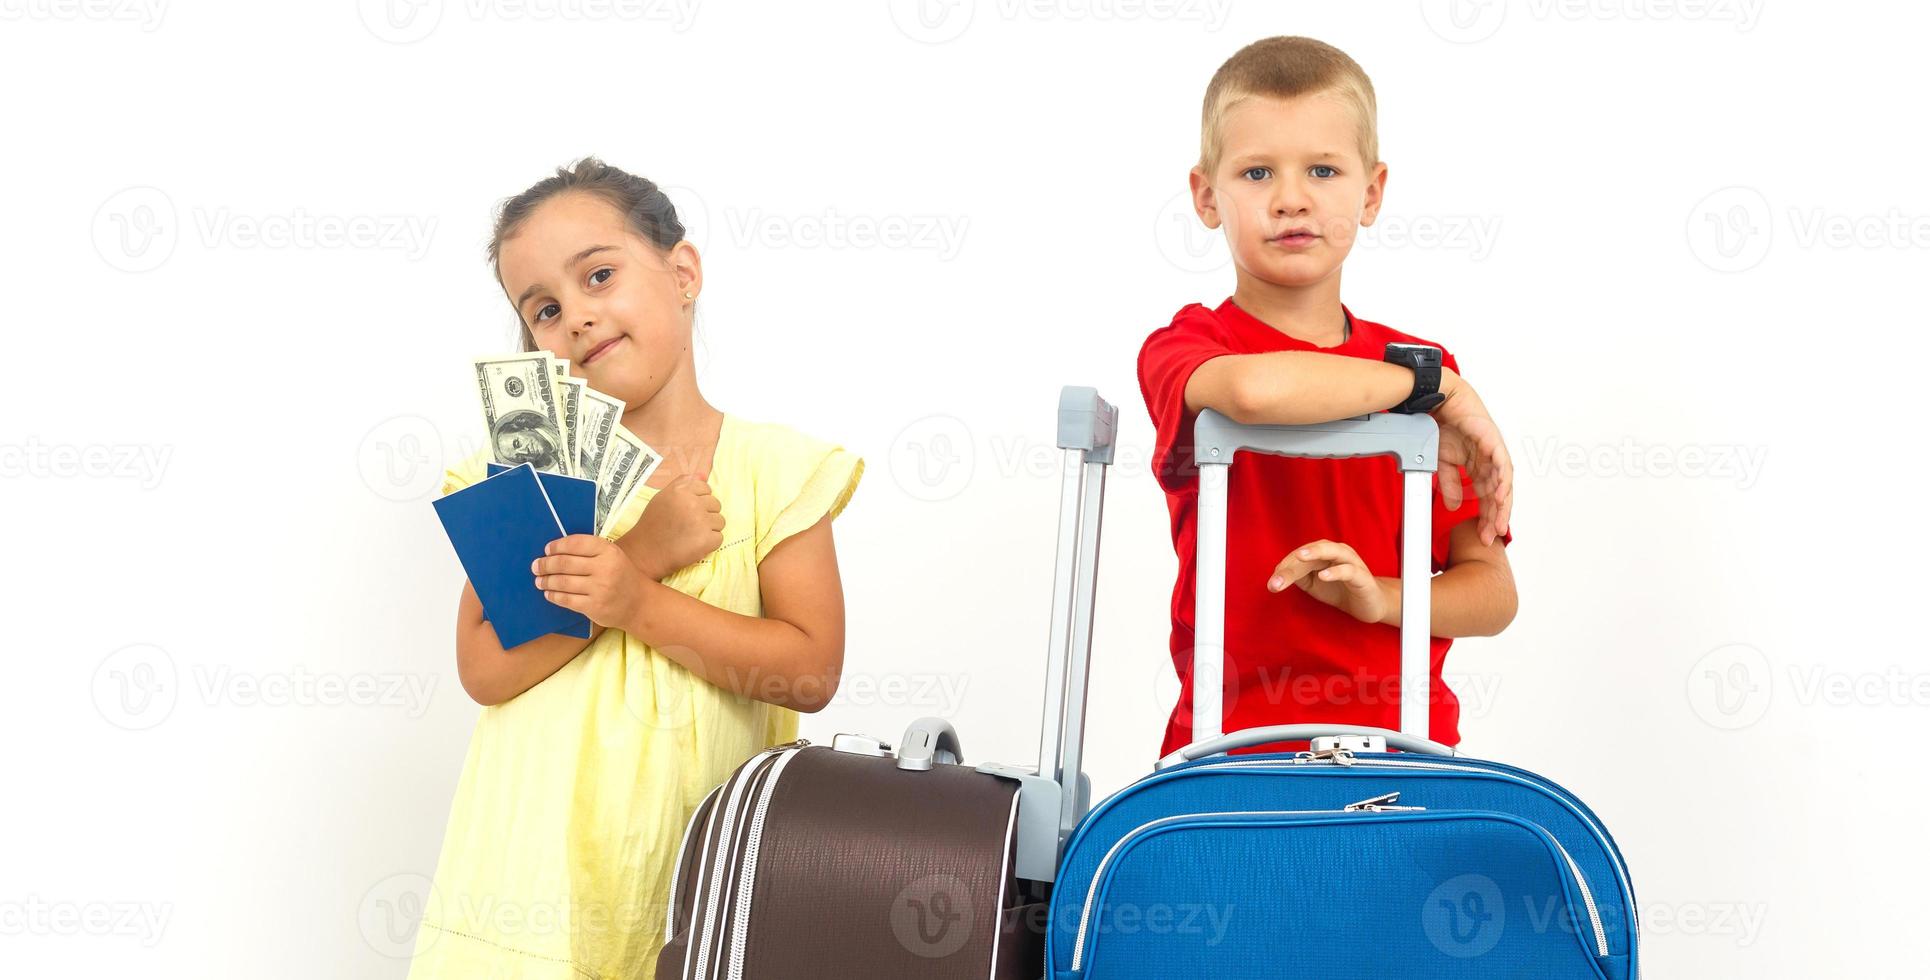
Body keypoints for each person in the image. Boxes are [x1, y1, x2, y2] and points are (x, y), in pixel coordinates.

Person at [408, 157, 863, 977]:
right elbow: (484, 665)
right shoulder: (532, 466)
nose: (576, 317)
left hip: (688, 876)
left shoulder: (775, 470)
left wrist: (639, 605)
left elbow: (809, 671)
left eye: (599, 276)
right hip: (530, 882)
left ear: (682, 273)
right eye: (544, 308)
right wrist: (640, 559)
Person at [1139, 37, 1516, 759]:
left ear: (1370, 193)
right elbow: (1252, 389)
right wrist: (1433, 389)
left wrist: (1383, 598)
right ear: (1206, 196)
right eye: (1256, 172)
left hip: (1406, 750)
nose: (1291, 199)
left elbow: (1494, 591)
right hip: (1227, 754)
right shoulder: (1188, 347)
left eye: (1323, 169)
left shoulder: (1422, 369)